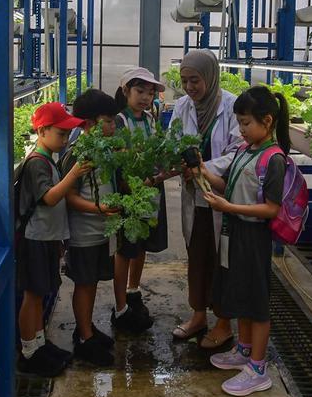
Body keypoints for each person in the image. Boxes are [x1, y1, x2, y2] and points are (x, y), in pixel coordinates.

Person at [198, 85, 290, 396]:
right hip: (234, 230)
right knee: (240, 291)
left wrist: (228, 207)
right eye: (239, 123)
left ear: (267, 120)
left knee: (256, 301)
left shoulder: (274, 159)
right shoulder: (244, 150)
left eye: (246, 123)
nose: (241, 129)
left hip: (253, 236)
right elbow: (229, 184)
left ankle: (258, 368)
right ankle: (244, 349)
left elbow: (271, 208)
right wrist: (203, 171)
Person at [170, 50, 240, 349]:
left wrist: (204, 168)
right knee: (197, 257)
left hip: (222, 196)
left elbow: (239, 149)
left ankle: (223, 324)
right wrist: (179, 165)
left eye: (195, 80)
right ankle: (198, 316)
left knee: (222, 260)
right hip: (194, 197)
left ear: (210, 76)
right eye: (184, 81)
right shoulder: (183, 107)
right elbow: (173, 142)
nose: (189, 87)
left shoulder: (233, 105)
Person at [16, 102, 89, 377]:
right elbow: (50, 198)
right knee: (32, 295)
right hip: (35, 238)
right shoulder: (36, 163)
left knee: (40, 292)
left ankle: (39, 344)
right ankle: (29, 352)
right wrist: (74, 174)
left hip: (46, 237)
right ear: (43, 131)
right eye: (61, 133)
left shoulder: (49, 159)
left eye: (68, 133)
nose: (66, 139)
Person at [60, 89, 121, 366]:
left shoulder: (105, 150)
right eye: (108, 121)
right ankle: (84, 339)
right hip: (83, 233)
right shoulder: (78, 154)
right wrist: (99, 209)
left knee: (92, 281)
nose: (113, 126)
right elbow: (69, 197)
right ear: (90, 125)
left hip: (101, 230)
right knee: (84, 284)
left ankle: (86, 328)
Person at [109, 67, 169, 333]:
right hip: (129, 193)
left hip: (151, 191)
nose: (145, 97)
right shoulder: (119, 121)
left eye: (150, 92)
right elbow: (120, 163)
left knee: (141, 243)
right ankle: (120, 305)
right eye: (139, 91)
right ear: (126, 92)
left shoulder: (150, 118)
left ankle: (134, 290)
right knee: (125, 249)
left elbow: (157, 150)